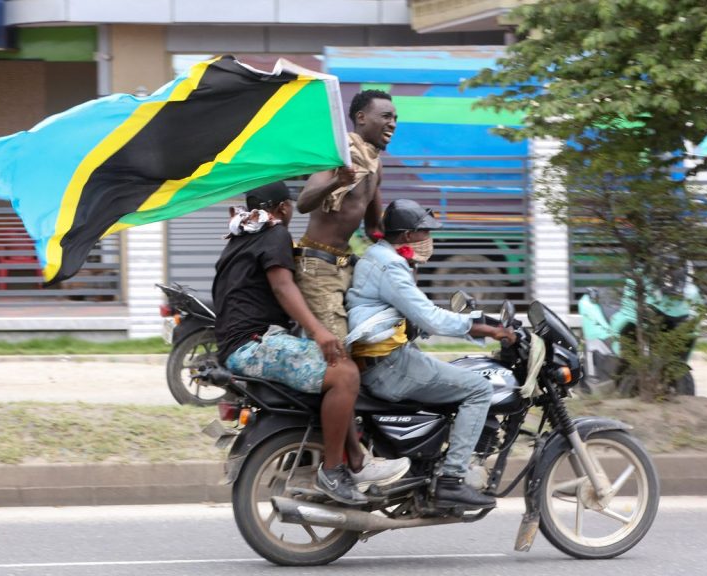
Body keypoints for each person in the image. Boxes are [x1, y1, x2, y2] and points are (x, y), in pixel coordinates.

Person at [212, 182, 405, 505]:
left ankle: (356, 459)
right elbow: (283, 287)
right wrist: (319, 331)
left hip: (243, 344)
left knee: (336, 372)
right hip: (254, 346)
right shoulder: (274, 235)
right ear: (285, 208)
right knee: (344, 373)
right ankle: (334, 470)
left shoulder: (240, 237)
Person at [345, 199, 517, 510]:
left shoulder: (380, 256)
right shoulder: (390, 265)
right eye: (425, 232)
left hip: (384, 359)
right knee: (479, 388)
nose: (429, 239)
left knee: (456, 376)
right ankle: (451, 480)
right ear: (409, 236)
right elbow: (432, 319)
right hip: (389, 365)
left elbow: (413, 316)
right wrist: (486, 328)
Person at [294, 89, 397, 341]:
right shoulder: (338, 155)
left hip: (346, 266)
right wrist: (336, 181)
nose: (392, 124)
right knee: (337, 352)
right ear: (361, 118)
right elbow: (304, 203)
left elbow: (374, 228)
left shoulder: (375, 164)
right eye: (385, 116)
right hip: (317, 267)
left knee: (373, 337)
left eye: (395, 118)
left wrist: (404, 251)